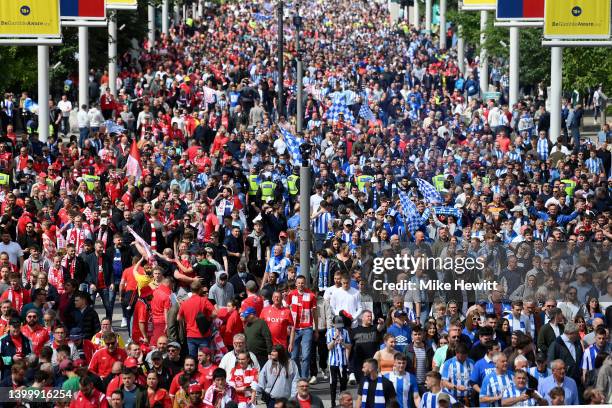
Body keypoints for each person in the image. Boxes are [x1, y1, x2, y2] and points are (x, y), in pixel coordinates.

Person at [287, 275, 318, 381]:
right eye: (298, 283)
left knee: (305, 355)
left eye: (302, 283)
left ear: (305, 284)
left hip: (307, 328)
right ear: (296, 284)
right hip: (294, 329)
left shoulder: (311, 295)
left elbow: (314, 314)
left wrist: (316, 329)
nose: (300, 285)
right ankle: (298, 375)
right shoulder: (291, 295)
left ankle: (304, 378)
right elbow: (287, 311)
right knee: (294, 356)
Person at [326, 315, 351, 407]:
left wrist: (342, 342)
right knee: (333, 383)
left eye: (341, 325)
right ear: (333, 324)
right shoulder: (329, 332)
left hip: (343, 362)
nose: (339, 327)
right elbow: (329, 347)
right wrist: (334, 339)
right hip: (333, 362)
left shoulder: (345, 332)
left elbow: (349, 346)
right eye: (338, 325)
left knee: (343, 383)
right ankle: (333, 403)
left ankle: (343, 402)